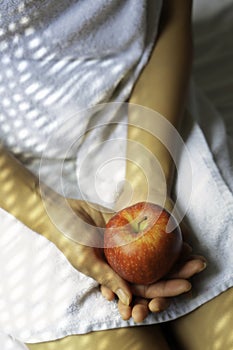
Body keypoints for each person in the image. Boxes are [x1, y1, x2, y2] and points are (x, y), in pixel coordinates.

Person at [0, 1, 232, 349]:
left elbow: (171, 12)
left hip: (141, 106)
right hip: (13, 166)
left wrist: (148, 177)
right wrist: (46, 213)